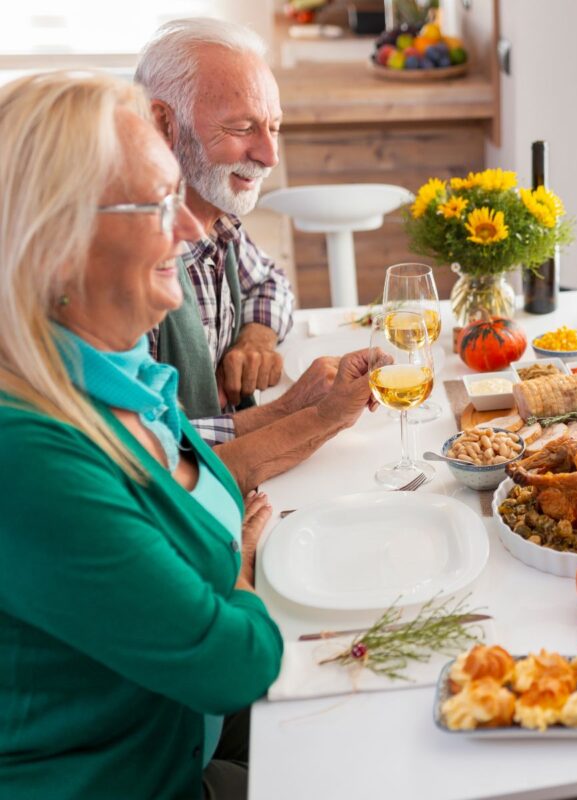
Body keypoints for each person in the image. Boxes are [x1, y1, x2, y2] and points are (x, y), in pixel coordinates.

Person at [0, 71, 343, 798]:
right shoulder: (26, 456)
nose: (189, 228)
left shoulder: (118, 372)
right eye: (159, 205)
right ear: (58, 243)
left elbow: (205, 499)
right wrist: (240, 564)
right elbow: (236, 662)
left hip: (182, 736)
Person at [134, 17, 374, 489]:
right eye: (243, 128)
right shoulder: (127, 258)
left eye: (274, 128)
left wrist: (256, 339)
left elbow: (270, 282)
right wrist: (296, 409)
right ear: (163, 123)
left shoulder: (215, 218)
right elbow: (154, 452)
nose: (269, 155)